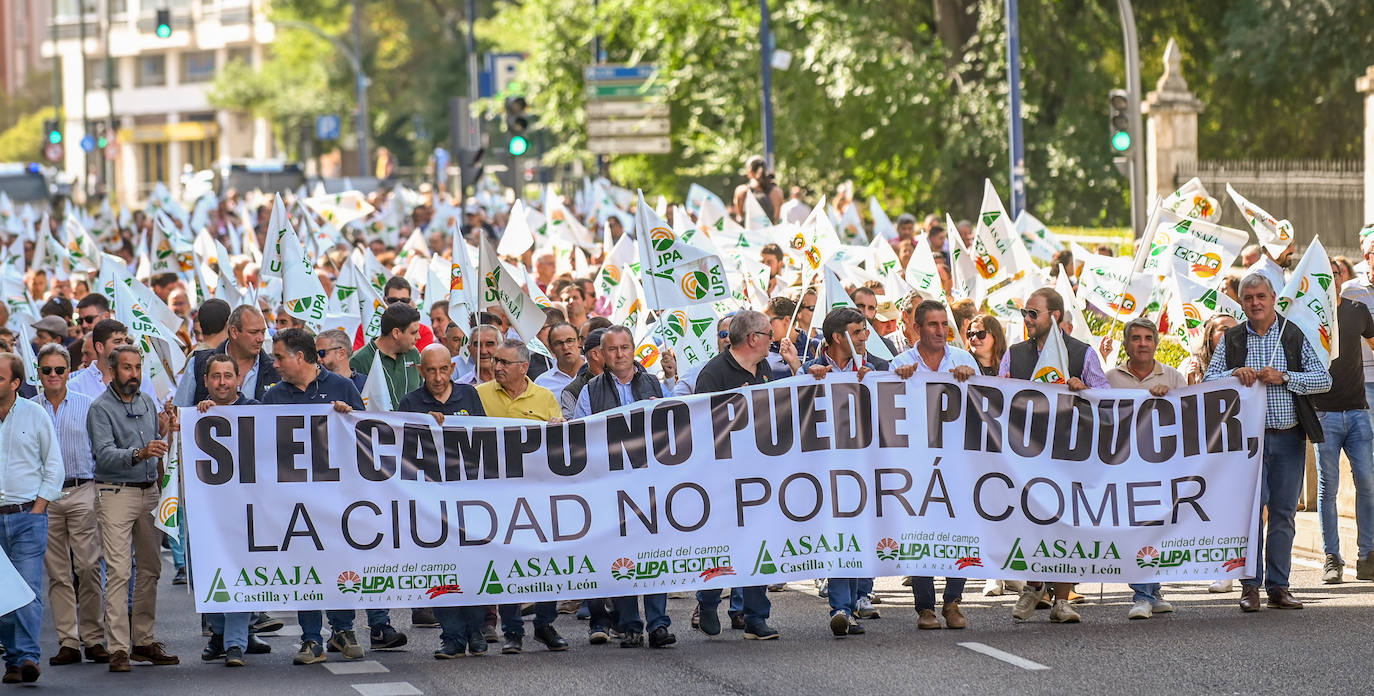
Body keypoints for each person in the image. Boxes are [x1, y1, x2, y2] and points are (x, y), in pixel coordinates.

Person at [261, 329, 398, 664]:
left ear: (299, 357)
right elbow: (257, 443)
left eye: (279, 357)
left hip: (339, 497)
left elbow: (367, 439)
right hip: (296, 499)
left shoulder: (341, 387)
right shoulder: (274, 396)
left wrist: (349, 417)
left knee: (339, 561)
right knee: (306, 567)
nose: (274, 364)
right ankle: (311, 639)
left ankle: (342, 629)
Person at [1204, 273, 1331, 613]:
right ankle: (1249, 587)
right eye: (1248, 298)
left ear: (1273, 298)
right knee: (1248, 516)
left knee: (1284, 515)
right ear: (1242, 302)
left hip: (1289, 440)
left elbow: (1323, 379)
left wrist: (1285, 377)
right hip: (1246, 446)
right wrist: (1235, 375)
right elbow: (1207, 381)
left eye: (1261, 296)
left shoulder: (1292, 334)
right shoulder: (1231, 339)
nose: (1255, 303)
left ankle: (1279, 586)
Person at [1001, 288, 1109, 624]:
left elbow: (1107, 396)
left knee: (1065, 520)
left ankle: (1062, 600)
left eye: (1034, 313)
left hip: (1068, 450)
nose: (1027, 320)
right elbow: (998, 392)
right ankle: (1034, 586)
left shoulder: (1082, 353)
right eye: (1024, 313)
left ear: (1056, 316)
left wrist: (1085, 390)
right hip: (1026, 451)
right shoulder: (1015, 353)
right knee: (1029, 520)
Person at [570, 327, 675, 648]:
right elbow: (580, 434)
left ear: (633, 349)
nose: (619, 354)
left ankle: (658, 624)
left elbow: (677, 424)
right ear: (601, 354)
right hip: (613, 486)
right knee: (624, 556)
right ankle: (630, 624)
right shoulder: (591, 390)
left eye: (625, 347)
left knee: (654, 555)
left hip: (648, 483)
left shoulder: (652, 383)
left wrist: (667, 392)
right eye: (612, 349)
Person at [469, 340, 571, 654]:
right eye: (494, 360)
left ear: (523, 368)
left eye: (504, 362)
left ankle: (544, 623)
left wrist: (559, 426)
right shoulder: (479, 394)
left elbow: (560, 442)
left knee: (546, 560)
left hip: (538, 494)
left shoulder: (545, 397)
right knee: (507, 562)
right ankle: (513, 631)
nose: (495, 366)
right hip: (497, 494)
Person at [395, 344, 492, 659]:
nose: (437, 377)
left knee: (473, 568)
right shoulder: (410, 403)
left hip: (469, 499)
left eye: (443, 370)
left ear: (452, 368)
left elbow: (486, 440)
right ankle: (451, 636)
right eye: (430, 371)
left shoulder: (470, 396)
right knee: (441, 570)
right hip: (430, 502)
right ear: (421, 371)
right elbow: (400, 450)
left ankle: (476, 632)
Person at [87, 345, 178, 672]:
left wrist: (167, 430)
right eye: (127, 368)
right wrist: (139, 453)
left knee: (151, 569)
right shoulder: (100, 409)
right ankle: (118, 649)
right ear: (113, 370)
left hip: (147, 493)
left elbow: (157, 443)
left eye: (137, 367)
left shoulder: (146, 402)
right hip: (115, 493)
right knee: (120, 571)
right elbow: (103, 454)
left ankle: (143, 641)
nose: (134, 374)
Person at [691, 311, 780, 640]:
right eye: (769, 334)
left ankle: (756, 616)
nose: (774, 339)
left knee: (759, 543)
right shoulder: (713, 373)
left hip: (759, 474)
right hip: (723, 476)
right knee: (721, 543)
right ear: (752, 338)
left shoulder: (765, 368)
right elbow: (700, 425)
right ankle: (709, 600)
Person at [889, 301, 978, 630]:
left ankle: (953, 601)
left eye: (944, 325)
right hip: (916, 462)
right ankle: (924, 608)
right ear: (917, 328)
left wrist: (971, 380)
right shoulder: (900, 363)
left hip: (958, 460)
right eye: (933, 325)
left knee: (960, 528)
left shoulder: (964, 360)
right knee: (920, 529)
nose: (941, 331)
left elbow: (983, 406)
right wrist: (895, 381)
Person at [30, 344, 108, 667]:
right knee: (58, 573)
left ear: (68, 371)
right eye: (46, 370)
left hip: (81, 490)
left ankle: (94, 637)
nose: (52, 376)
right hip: (44, 497)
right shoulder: (30, 410)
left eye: (59, 370)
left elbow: (99, 449)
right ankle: (69, 641)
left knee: (89, 566)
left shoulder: (87, 405)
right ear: (38, 373)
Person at [193, 354, 271, 666]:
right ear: (206, 381)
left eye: (228, 375)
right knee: (208, 572)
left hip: (246, 508)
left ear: (238, 379)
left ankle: (236, 644)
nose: (222, 382)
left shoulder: (253, 410)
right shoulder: (197, 414)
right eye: (216, 376)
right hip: (208, 509)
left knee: (238, 571)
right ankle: (220, 634)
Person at [1106, 318, 1186, 619]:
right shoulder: (1110, 378)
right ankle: (1142, 594)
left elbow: (1189, 417)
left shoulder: (1174, 377)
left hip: (1162, 468)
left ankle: (1152, 590)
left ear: (1156, 343)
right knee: (1136, 530)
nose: (1142, 343)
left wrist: (1172, 399)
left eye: (1148, 338)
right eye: (1136, 338)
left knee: (1157, 529)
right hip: (1124, 469)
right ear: (1126, 344)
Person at [0, 352, 64, 684]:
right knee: (2, 593)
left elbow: (53, 466)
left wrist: (39, 507)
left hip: (27, 515)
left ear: (15, 383)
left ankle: (26, 656)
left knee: (26, 590)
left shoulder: (35, 414)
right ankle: (12, 659)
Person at [1311, 257, 1374, 583]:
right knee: (1328, 490)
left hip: (1358, 412)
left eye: (1334, 273)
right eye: (1322, 274)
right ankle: (1332, 558)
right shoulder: (1307, 317)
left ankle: (1367, 556)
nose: (1330, 278)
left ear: (1342, 277)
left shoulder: (1357, 309)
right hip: (1324, 414)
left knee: (1368, 484)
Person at [179, 305, 279, 406]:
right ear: (234, 332)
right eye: (254, 332)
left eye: (263, 332)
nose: (260, 338)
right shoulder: (198, 364)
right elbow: (181, 413)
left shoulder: (276, 369)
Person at [350, 302, 423, 406]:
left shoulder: (413, 353)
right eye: (413, 332)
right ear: (396, 333)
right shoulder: (359, 361)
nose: (418, 337)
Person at [67, 319, 155, 401]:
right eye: (118, 341)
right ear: (100, 347)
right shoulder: (76, 386)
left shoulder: (142, 380)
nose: (124, 345)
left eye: (126, 341)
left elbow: (152, 415)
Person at [560, 328, 606, 420]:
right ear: (595, 355)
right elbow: (573, 427)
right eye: (611, 349)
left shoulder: (628, 377)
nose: (619, 354)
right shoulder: (572, 392)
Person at [534, 322, 583, 396]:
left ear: (579, 342)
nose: (565, 347)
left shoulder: (596, 371)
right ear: (551, 348)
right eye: (559, 343)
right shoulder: (542, 383)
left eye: (569, 341)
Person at [733, 155, 782, 225]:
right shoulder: (777, 192)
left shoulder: (741, 191)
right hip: (769, 234)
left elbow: (740, 216)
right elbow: (776, 219)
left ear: (749, 171)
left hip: (750, 234)